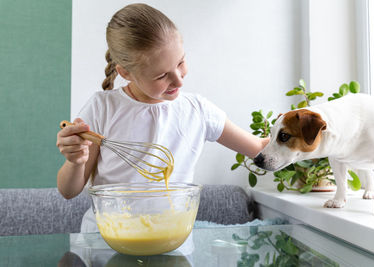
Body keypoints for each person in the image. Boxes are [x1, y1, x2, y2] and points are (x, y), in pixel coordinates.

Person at [56, 3, 269, 233]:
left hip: (172, 240)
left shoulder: (198, 111)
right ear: (125, 72)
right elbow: (68, 191)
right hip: (108, 241)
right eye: (161, 75)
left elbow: (259, 149)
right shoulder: (102, 107)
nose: (179, 80)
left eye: (180, 62)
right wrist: (75, 161)